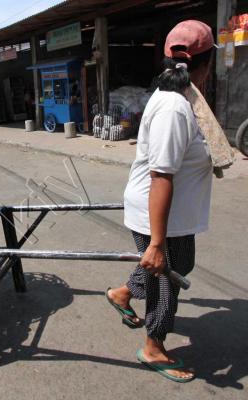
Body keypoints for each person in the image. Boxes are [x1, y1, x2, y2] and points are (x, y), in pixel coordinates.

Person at [106, 20, 216, 383]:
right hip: (159, 216)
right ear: (207, 64)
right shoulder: (173, 108)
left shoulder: (182, 100)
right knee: (168, 278)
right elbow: (161, 176)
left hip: (172, 215)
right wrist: (156, 243)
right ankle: (153, 347)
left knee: (173, 266)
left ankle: (122, 294)